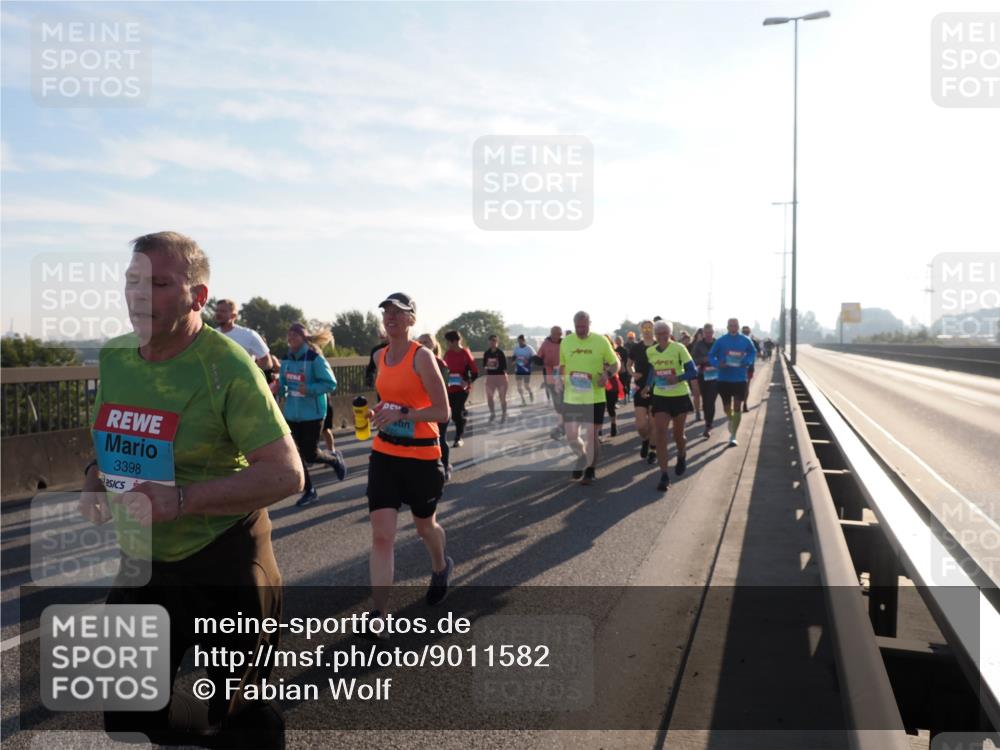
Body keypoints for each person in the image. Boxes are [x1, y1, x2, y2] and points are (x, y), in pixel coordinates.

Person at [80, 231, 303, 748]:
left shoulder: (227, 366)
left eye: (158, 283)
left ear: (197, 297)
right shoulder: (116, 357)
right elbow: (109, 438)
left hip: (223, 561)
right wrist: (94, 478)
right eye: (133, 281)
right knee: (130, 718)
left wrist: (182, 500)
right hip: (145, 563)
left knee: (231, 720)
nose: (140, 295)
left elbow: (288, 474)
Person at [366, 292, 452, 628]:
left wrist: (403, 413)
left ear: (412, 320)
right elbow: (390, 401)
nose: (391, 317)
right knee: (382, 535)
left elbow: (442, 412)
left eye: (400, 313)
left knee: (424, 526)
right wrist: (380, 412)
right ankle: (379, 615)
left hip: (421, 456)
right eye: (387, 312)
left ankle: (440, 566)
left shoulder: (422, 356)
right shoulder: (381, 356)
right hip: (385, 454)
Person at [280, 322, 347, 507]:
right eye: (289, 335)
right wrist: (280, 388)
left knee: (310, 454)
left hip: (313, 413)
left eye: (295, 335)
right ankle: (309, 490)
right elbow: (283, 381)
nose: (291, 338)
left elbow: (330, 384)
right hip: (292, 413)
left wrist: (308, 388)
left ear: (304, 338)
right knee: (296, 454)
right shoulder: (286, 359)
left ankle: (334, 459)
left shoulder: (314, 358)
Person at [557, 311, 620, 485]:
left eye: (584, 326)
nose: (581, 329)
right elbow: (562, 366)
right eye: (578, 327)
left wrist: (607, 374)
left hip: (595, 396)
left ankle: (590, 470)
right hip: (572, 397)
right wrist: (558, 380)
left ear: (589, 324)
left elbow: (616, 363)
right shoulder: (567, 342)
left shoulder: (601, 341)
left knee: (591, 435)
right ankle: (582, 456)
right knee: (571, 436)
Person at [641, 320, 698, 492]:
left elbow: (693, 371)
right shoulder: (650, 351)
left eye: (665, 333)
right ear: (654, 335)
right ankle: (664, 475)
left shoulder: (679, 348)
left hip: (679, 395)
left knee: (678, 434)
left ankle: (681, 455)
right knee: (660, 433)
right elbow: (653, 370)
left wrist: (678, 378)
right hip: (660, 396)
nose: (662, 336)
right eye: (658, 333)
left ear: (670, 333)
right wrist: (648, 385)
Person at [709, 318, 757, 447]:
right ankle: (730, 419)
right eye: (731, 325)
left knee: (737, 406)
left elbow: (753, 352)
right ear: (727, 327)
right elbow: (711, 355)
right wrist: (718, 363)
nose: (733, 327)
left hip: (740, 378)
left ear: (738, 326)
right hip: (724, 378)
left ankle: (733, 436)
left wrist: (747, 360)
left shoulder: (746, 340)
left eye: (735, 325)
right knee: (726, 407)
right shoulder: (721, 341)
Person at [418, 333, 454, 481]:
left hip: (439, 409)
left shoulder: (441, 364)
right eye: (421, 342)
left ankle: (445, 467)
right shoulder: (415, 362)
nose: (423, 344)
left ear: (433, 345)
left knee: (440, 439)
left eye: (427, 342)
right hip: (423, 410)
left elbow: (445, 388)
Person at [627, 320, 658, 464]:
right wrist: (633, 374)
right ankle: (645, 440)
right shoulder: (636, 347)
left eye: (649, 327)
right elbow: (628, 364)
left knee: (653, 422)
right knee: (641, 425)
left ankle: (653, 450)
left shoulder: (659, 346)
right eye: (644, 328)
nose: (647, 330)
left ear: (654, 329)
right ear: (640, 330)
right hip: (639, 387)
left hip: (657, 387)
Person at [442, 330, 478, 448]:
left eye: (448, 342)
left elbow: (475, 372)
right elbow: (445, 370)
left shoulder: (465, 353)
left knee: (457, 413)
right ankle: (462, 421)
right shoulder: (447, 354)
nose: (447, 344)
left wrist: (467, 382)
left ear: (454, 341)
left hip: (463, 389)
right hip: (450, 388)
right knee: (453, 414)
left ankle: (458, 438)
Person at [213, 298, 270, 369]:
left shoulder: (248, 335)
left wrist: (250, 375)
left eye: (223, 311)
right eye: (217, 311)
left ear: (233, 315)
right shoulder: (211, 335)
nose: (218, 314)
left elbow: (266, 360)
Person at [691, 324, 720, 438]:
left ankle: (708, 425)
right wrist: (704, 360)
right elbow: (693, 359)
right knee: (706, 400)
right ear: (703, 333)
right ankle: (708, 421)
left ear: (713, 332)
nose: (708, 334)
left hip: (716, 376)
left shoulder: (718, 343)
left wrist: (715, 361)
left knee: (710, 401)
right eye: (706, 332)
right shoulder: (698, 345)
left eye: (710, 332)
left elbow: (723, 356)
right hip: (703, 376)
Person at [536, 327, 563, 435]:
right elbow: (538, 358)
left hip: (563, 376)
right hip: (551, 376)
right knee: (557, 403)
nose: (558, 336)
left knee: (564, 400)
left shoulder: (565, 343)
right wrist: (543, 362)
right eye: (556, 334)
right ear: (551, 334)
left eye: (559, 334)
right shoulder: (545, 344)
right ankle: (562, 423)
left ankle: (563, 424)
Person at [482, 334, 509, 424]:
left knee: (502, 398)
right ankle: (492, 413)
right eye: (491, 340)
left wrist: (505, 379)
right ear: (488, 342)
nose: (493, 342)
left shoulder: (500, 353)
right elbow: (485, 367)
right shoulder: (487, 353)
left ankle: (504, 414)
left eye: (494, 340)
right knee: (489, 398)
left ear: (497, 342)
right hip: (490, 378)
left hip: (501, 377)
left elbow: (505, 368)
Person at [603, 334, 624, 437]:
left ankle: (613, 425)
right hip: (600, 384)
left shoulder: (615, 354)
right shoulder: (596, 355)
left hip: (612, 383)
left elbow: (620, 368)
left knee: (611, 407)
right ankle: (598, 432)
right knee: (600, 407)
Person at [741, 325, 763, 413]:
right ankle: (739, 404)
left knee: (746, 386)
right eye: (744, 332)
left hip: (749, 367)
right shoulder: (737, 341)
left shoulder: (753, 342)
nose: (745, 333)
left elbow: (759, 353)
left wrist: (755, 354)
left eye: (747, 332)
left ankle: (745, 404)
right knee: (738, 387)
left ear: (749, 332)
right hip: (738, 368)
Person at [512, 334, 536, 406]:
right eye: (518, 342)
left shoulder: (529, 348)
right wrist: (514, 361)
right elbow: (513, 357)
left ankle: (530, 392)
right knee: (519, 386)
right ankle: (523, 400)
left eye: (521, 341)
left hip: (526, 369)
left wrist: (528, 361)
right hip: (518, 369)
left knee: (526, 386)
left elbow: (534, 357)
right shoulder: (516, 348)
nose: (520, 343)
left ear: (524, 341)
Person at [688, 328, 704, 422]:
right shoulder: (690, 346)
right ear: (697, 335)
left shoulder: (708, 345)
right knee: (696, 393)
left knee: (704, 394)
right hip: (693, 373)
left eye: (703, 334)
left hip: (705, 373)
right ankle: (697, 412)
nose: (702, 336)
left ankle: (704, 409)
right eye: (700, 334)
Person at [614, 335, 631, 404]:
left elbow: (627, 360)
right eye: (617, 340)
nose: (618, 341)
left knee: (625, 384)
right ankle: (620, 398)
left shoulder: (625, 350)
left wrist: (625, 368)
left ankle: (626, 397)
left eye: (619, 340)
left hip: (624, 370)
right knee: (619, 384)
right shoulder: (615, 350)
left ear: (622, 341)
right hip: (617, 370)